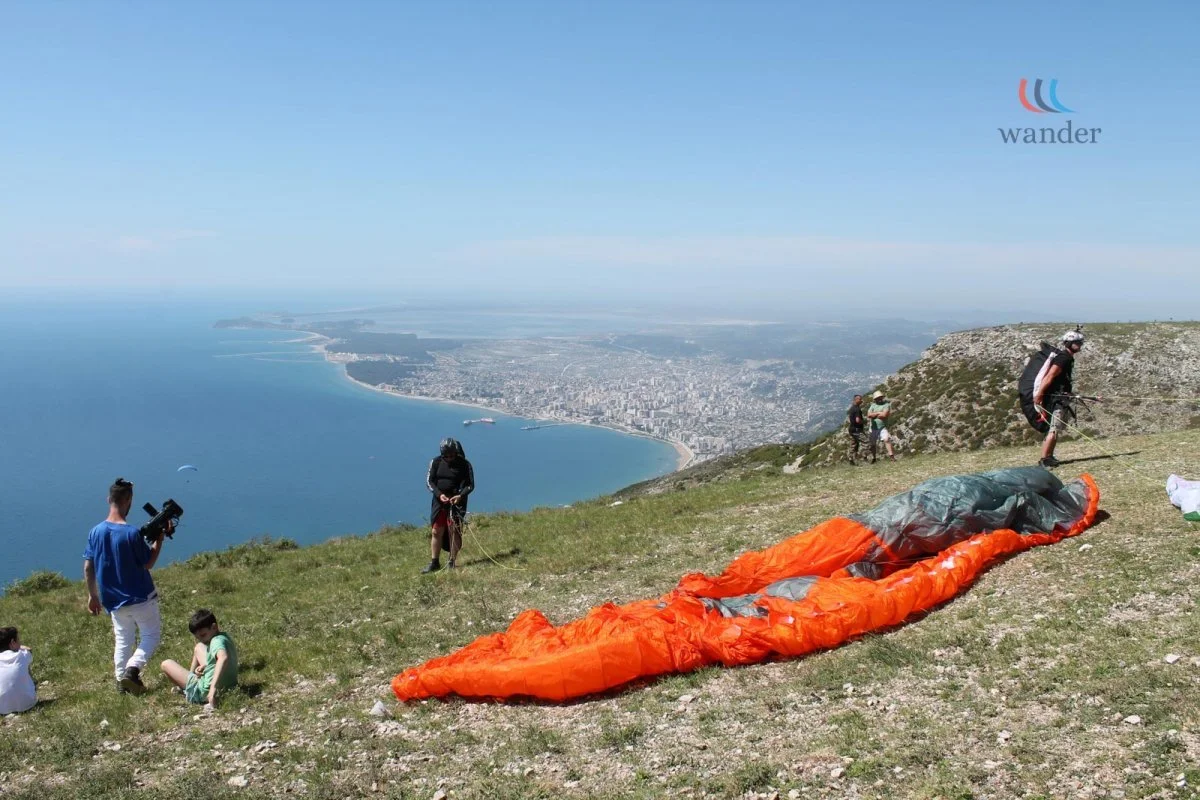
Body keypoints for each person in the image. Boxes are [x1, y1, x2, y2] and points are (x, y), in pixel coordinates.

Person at [84, 477, 174, 695]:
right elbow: (148, 563)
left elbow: (89, 567)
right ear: (128, 500)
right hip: (141, 596)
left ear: (109, 499)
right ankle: (132, 672)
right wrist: (159, 540)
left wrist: (92, 595)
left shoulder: (95, 532)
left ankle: (120, 683)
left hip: (112, 600)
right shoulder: (131, 533)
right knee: (150, 636)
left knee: (123, 639)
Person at [160, 609, 238, 712]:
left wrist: (213, 689)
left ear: (214, 627)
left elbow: (223, 658)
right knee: (199, 647)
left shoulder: (215, 642)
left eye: (203, 635)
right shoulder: (223, 637)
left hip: (205, 692)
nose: (201, 639)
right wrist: (207, 666)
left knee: (165, 664)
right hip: (230, 687)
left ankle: (189, 690)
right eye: (198, 637)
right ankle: (194, 676)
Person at [1032, 329, 1085, 468]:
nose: (1079, 345)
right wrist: (1039, 394)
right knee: (1053, 428)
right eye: (1077, 343)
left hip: (1060, 397)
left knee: (1056, 428)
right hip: (1056, 399)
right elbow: (1050, 376)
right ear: (1069, 343)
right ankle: (1044, 459)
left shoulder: (1068, 357)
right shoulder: (1063, 358)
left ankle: (1049, 456)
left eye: (1080, 343)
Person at [422, 438, 475, 574]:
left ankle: (452, 561)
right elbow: (430, 482)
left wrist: (460, 496)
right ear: (442, 454)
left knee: (453, 530)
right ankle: (434, 562)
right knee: (436, 531)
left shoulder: (465, 464)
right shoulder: (436, 462)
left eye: (453, 455)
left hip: (457, 501)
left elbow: (470, 485)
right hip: (440, 502)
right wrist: (439, 495)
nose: (450, 458)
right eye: (447, 456)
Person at [0, 627, 37, 715]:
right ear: (12, 642)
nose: (20, 643)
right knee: (25, 667)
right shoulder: (22, 655)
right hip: (28, 704)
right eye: (18, 640)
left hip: (2, 709)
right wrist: (20, 648)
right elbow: (29, 649)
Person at [866, 390, 896, 462]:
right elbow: (869, 415)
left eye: (880, 398)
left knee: (886, 440)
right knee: (872, 444)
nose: (879, 399)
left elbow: (884, 415)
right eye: (877, 398)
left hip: (882, 427)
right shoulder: (873, 405)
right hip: (873, 428)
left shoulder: (886, 405)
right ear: (875, 399)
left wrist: (875, 414)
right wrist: (879, 413)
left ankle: (892, 457)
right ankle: (874, 458)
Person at [846, 394, 868, 465]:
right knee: (867, 442)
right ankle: (864, 458)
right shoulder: (857, 409)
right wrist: (864, 421)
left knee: (854, 445)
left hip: (852, 429)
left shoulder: (852, 408)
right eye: (860, 399)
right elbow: (857, 420)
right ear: (856, 400)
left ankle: (851, 459)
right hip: (857, 430)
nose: (861, 400)